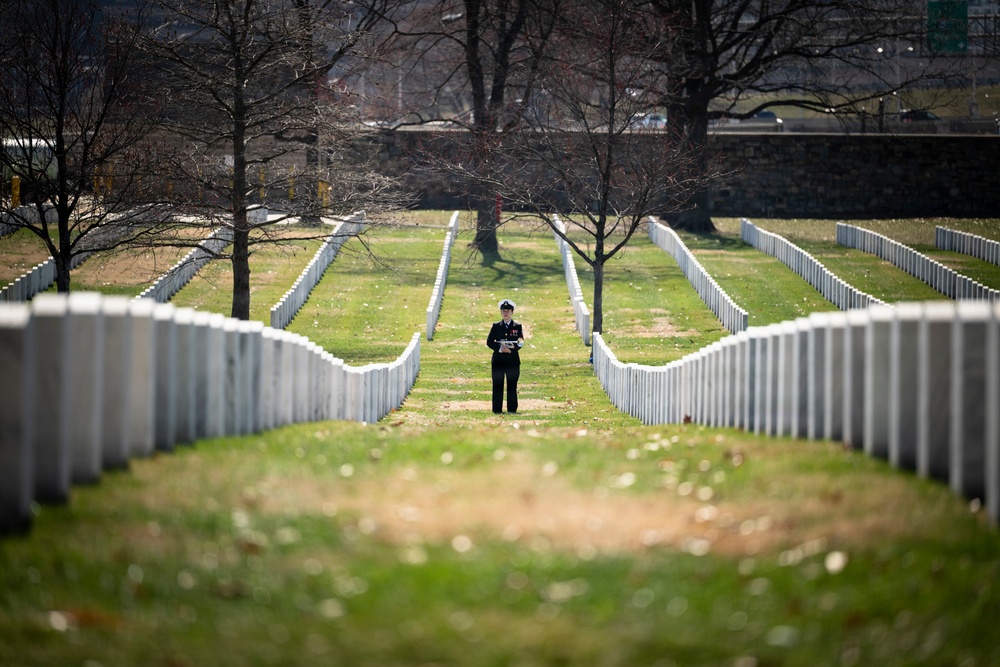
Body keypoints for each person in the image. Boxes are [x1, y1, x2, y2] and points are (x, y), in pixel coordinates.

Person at [486, 298, 524, 414]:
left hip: (512, 360)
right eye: (503, 311)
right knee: (498, 385)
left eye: (508, 310)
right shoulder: (496, 326)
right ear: (501, 312)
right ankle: (497, 409)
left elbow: (520, 342)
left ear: (512, 312)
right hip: (498, 360)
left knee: (512, 385)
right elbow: (489, 341)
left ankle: (512, 409)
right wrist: (500, 349)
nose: (505, 313)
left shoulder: (517, 326)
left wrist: (511, 350)